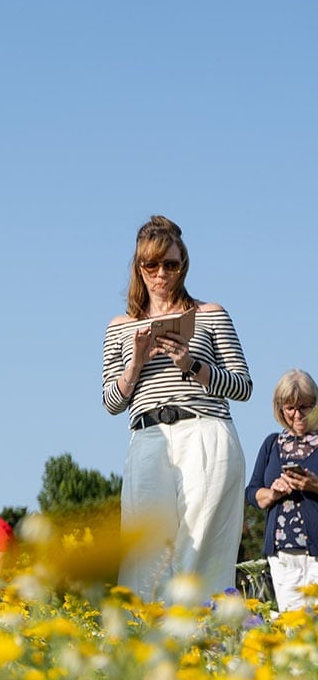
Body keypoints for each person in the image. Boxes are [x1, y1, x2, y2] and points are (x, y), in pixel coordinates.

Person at [101, 216, 251, 601]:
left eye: (170, 264)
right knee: (146, 547)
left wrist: (193, 366)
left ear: (183, 265)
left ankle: (202, 634)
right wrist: (134, 364)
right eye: (151, 265)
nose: (161, 273)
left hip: (206, 429)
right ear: (139, 268)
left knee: (201, 543)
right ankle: (148, 641)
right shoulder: (119, 326)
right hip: (148, 436)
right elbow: (111, 403)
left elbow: (243, 386)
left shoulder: (211, 313)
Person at [244, 370, 318, 612]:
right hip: (282, 552)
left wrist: (312, 485)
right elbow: (252, 492)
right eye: (290, 408)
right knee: (291, 625)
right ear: (280, 408)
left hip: (315, 551)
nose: (297, 415)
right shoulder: (271, 444)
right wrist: (273, 493)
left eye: (304, 407)